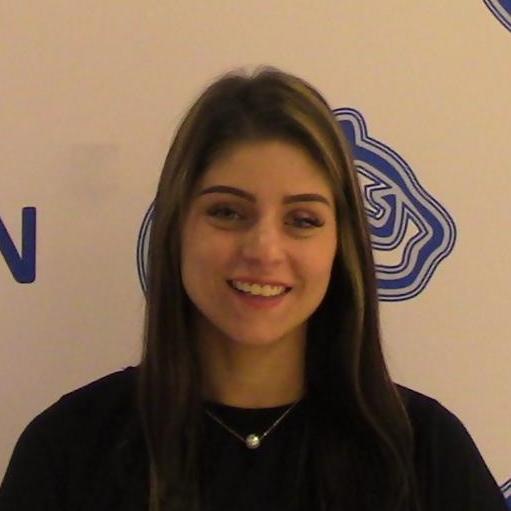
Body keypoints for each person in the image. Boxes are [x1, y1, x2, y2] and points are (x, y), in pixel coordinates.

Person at [0, 67, 507, 511]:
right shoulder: (69, 450)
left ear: (341, 244)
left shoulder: (426, 453)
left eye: (302, 219)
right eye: (227, 212)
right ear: (177, 228)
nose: (265, 249)